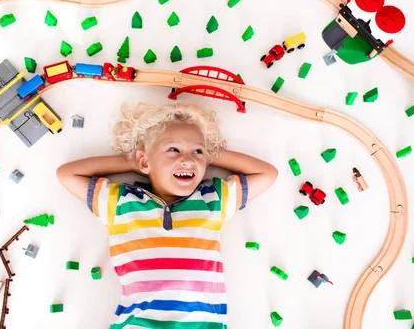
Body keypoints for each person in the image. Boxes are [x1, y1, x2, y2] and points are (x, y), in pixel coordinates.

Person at [57, 102, 278, 327]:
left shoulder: (212, 200)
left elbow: (267, 173)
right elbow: (67, 174)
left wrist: (210, 154)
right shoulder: (122, 204)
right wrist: (130, 163)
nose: (188, 159)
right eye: (174, 149)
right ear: (144, 160)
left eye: (197, 151)